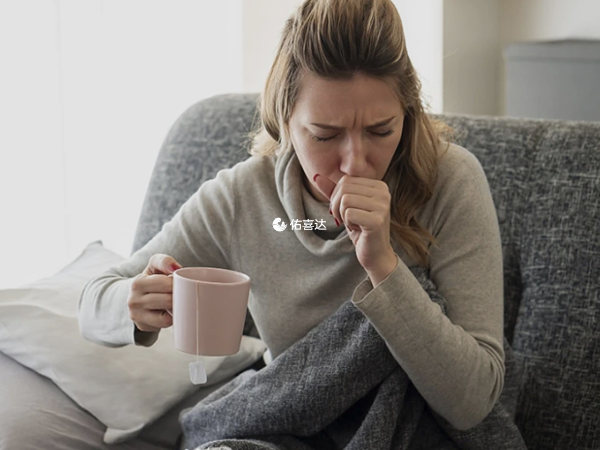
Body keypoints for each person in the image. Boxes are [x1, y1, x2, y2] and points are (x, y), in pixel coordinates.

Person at [79, 0, 505, 435]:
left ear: (408, 114)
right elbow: (93, 300)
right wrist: (133, 303)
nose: (355, 163)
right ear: (283, 119)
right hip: (288, 429)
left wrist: (384, 268)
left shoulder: (450, 181)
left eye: (381, 130)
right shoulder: (243, 198)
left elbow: (473, 402)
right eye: (325, 135)